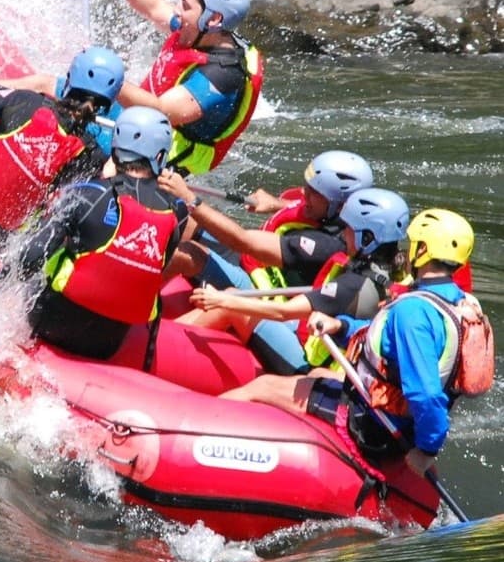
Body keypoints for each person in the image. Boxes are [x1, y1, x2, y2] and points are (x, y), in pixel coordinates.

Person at [216, 207, 486, 478]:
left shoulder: (413, 312)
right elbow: (386, 335)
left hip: (372, 424)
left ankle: (190, 436)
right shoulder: (462, 303)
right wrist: (341, 326)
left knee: (261, 387)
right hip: (399, 422)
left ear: (423, 250)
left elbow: (425, 394)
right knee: (319, 375)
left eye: (414, 244)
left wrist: (427, 450)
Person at [0, 106, 189, 362]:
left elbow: (32, 255)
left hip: (50, 324)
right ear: (161, 156)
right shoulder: (178, 212)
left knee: (59, 247)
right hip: (108, 343)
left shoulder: (87, 192)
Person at [0, 47, 124, 255]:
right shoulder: (91, 155)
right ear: (110, 102)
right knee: (46, 204)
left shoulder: (26, 101)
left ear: (69, 78)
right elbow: (110, 178)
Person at [183, 187, 410, 375]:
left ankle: (162, 343)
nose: (345, 234)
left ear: (368, 238)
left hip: (309, 363)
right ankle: (170, 332)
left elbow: (284, 312)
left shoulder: (354, 285)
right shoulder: (395, 273)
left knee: (232, 302)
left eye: (350, 229)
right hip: (315, 342)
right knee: (232, 298)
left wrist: (222, 299)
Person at [75, 0, 263, 175]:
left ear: (213, 19)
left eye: (185, 6)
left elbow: (160, 110)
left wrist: (99, 75)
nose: (176, 10)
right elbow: (154, 7)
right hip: (134, 123)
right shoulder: (198, 30)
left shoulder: (222, 76)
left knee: (72, 136)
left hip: (155, 155)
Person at [159, 150, 374, 292]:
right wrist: (276, 204)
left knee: (188, 253)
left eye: (314, 192)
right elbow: (298, 205)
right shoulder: (330, 213)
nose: (304, 194)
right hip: (252, 260)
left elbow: (242, 241)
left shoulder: (324, 245)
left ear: (338, 204)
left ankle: (135, 309)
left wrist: (190, 199)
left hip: (258, 287)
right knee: (183, 220)